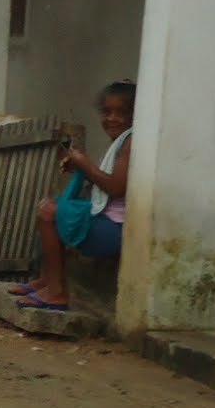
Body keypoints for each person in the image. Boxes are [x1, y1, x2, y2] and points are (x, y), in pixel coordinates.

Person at [11, 80, 135, 312]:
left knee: (49, 211)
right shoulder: (123, 141)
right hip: (110, 222)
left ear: (136, 115)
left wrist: (84, 163)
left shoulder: (131, 141)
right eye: (107, 112)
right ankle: (47, 280)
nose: (112, 118)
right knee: (50, 205)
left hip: (118, 230)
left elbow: (116, 188)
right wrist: (82, 168)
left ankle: (56, 293)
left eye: (122, 112)